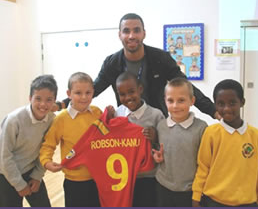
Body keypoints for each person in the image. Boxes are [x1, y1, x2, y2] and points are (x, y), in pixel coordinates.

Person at [55, 13, 220, 120]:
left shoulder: (160, 58)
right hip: (126, 124)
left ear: (144, 33)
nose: (131, 35)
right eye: (126, 31)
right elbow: (93, 89)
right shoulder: (112, 63)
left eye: (136, 30)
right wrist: (62, 104)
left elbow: (186, 87)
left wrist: (213, 111)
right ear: (120, 35)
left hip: (157, 123)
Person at [192, 79, 258, 207]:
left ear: (242, 102)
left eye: (232, 103)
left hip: (247, 203)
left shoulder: (257, 136)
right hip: (213, 202)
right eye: (221, 104)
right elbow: (203, 167)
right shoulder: (210, 133)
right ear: (215, 105)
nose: (226, 108)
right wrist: (196, 196)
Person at [0, 75, 58, 207]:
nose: (43, 104)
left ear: (54, 101)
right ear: (30, 98)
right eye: (38, 99)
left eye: (49, 100)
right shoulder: (14, 120)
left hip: (30, 171)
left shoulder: (51, 120)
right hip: (4, 174)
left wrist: (37, 176)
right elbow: (4, 156)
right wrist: (19, 184)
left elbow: (44, 150)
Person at [39, 72, 101, 207]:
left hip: (98, 178)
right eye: (78, 93)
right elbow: (48, 145)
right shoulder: (61, 119)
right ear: (69, 94)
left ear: (93, 92)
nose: (84, 97)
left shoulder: (98, 113)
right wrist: (46, 162)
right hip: (74, 181)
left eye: (88, 92)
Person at [152, 77, 208, 207]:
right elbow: (158, 152)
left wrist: (198, 193)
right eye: (170, 101)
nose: (175, 106)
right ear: (164, 101)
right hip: (163, 187)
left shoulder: (201, 128)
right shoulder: (161, 126)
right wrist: (157, 157)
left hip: (189, 191)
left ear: (192, 101)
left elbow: (204, 164)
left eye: (181, 100)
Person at [114, 71, 165, 206]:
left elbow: (165, 144)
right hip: (125, 175)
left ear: (140, 89)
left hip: (149, 175)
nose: (128, 97)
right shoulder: (117, 114)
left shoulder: (156, 115)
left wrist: (155, 137)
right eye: (122, 94)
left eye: (131, 92)